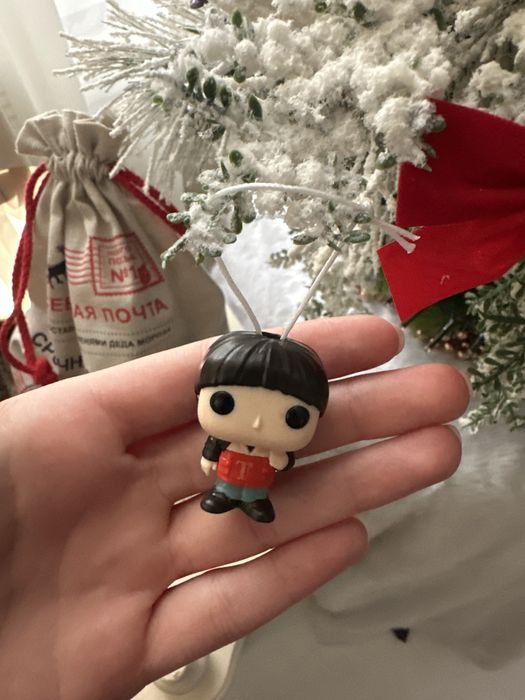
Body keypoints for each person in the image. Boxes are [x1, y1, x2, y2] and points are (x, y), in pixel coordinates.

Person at [0, 316, 470, 700]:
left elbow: (282, 457)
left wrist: (279, 457)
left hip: (258, 475)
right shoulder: (221, 440)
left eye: (292, 417)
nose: (260, 423)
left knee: (254, 491)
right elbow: (212, 450)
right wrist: (212, 458)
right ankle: (227, 497)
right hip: (230, 470)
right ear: (204, 396)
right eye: (224, 403)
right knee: (229, 488)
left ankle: (249, 501)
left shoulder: (272, 448)